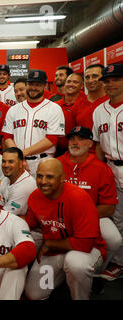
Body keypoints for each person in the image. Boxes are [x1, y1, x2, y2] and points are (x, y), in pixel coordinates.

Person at [23, 158, 106, 300]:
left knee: (75, 264)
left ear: (62, 178)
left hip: (87, 251)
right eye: (40, 176)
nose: (43, 181)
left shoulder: (78, 197)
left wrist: (49, 244)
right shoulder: (35, 196)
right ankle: (69, 279)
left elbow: (85, 244)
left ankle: (81, 290)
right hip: (55, 253)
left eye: (49, 176)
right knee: (35, 294)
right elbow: (30, 222)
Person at [58, 126, 121, 275]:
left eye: (81, 139)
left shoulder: (101, 168)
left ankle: (96, 271)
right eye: (72, 139)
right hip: (59, 216)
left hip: (91, 214)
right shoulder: (56, 164)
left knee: (115, 239)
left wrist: (82, 216)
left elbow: (109, 207)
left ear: (90, 144)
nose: (75, 142)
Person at [2, 69, 65, 176]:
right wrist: (19, 159)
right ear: (26, 84)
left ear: (44, 85)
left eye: (38, 84)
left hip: (43, 161)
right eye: (31, 84)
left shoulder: (54, 108)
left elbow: (51, 140)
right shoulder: (13, 109)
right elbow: (7, 137)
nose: (33, 88)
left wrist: (20, 155)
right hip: (18, 163)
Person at [93, 64, 123, 281]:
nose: (109, 83)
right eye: (107, 80)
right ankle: (119, 263)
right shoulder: (99, 110)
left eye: (115, 79)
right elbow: (97, 146)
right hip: (112, 168)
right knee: (118, 219)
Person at [55, 73, 90, 156]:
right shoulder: (55, 105)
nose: (71, 84)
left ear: (81, 86)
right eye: (69, 81)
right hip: (57, 150)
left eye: (75, 82)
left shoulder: (86, 104)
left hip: (79, 149)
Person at [0, 147, 37, 216]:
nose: (6, 165)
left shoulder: (26, 185)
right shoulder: (6, 179)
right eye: (4, 161)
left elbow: (5, 217)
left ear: (20, 164)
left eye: (11, 161)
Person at [74, 64, 109, 131]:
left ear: (104, 78)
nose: (90, 80)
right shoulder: (77, 104)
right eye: (87, 77)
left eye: (95, 76)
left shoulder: (112, 101)